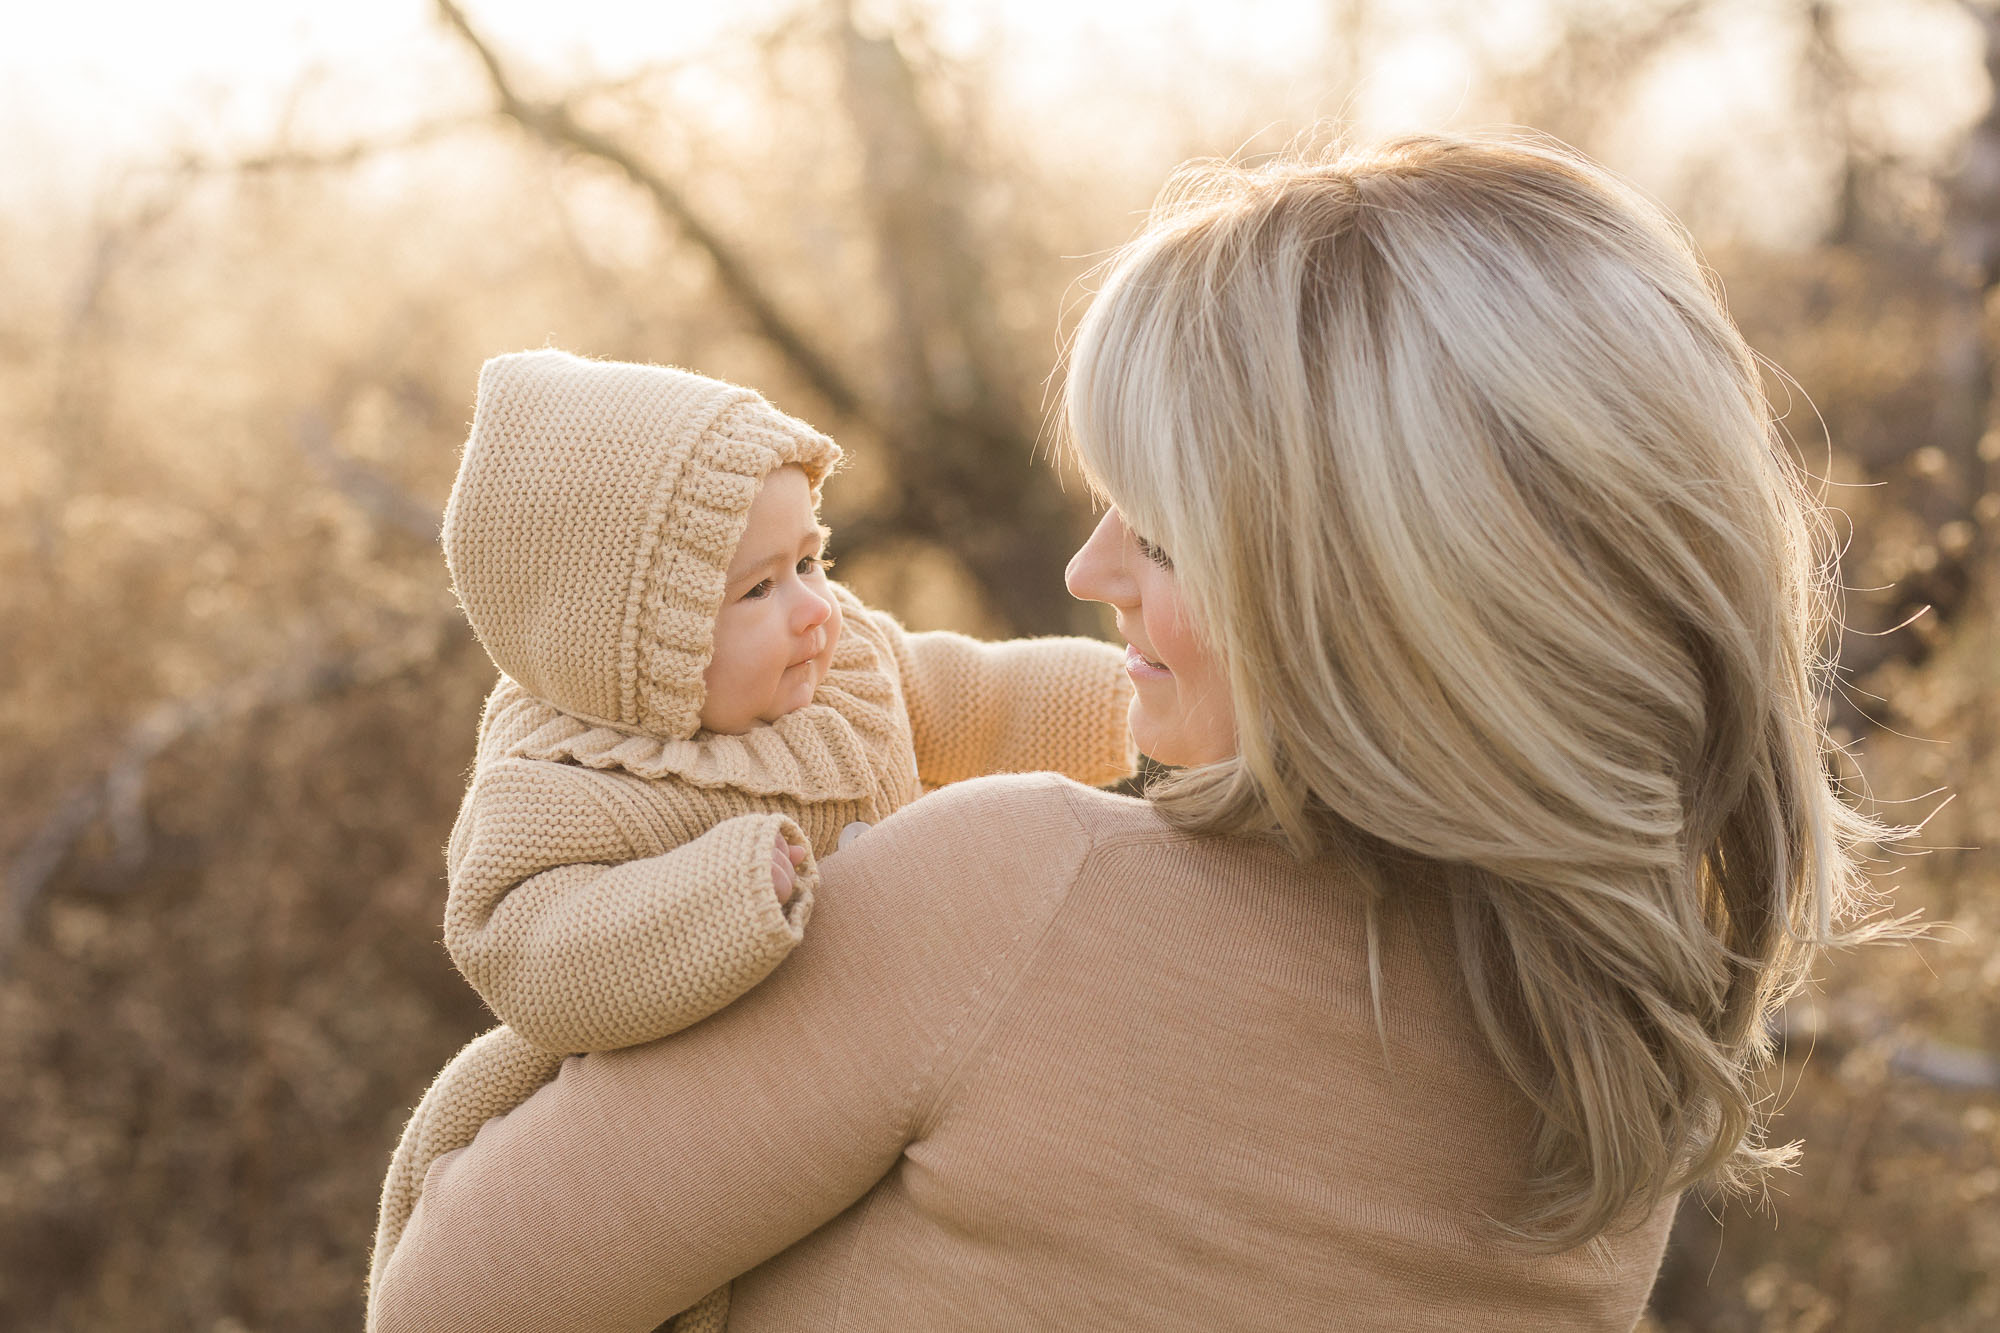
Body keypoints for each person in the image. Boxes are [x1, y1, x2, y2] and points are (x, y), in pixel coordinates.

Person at [370, 134, 1886, 1331]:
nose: (1089, 572)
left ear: (1377, 594)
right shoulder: (1623, 1021)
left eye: (1156, 535)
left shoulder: (1011, 902)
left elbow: (446, 1305)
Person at [366, 349, 1138, 1330]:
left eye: (812, 560)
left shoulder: (843, 660)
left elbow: (975, 697)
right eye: (757, 589)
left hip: (881, 1077)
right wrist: (723, 893)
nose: (814, 606)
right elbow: (525, 943)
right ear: (634, 640)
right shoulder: (563, 782)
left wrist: (1139, 708)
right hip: (665, 1123)